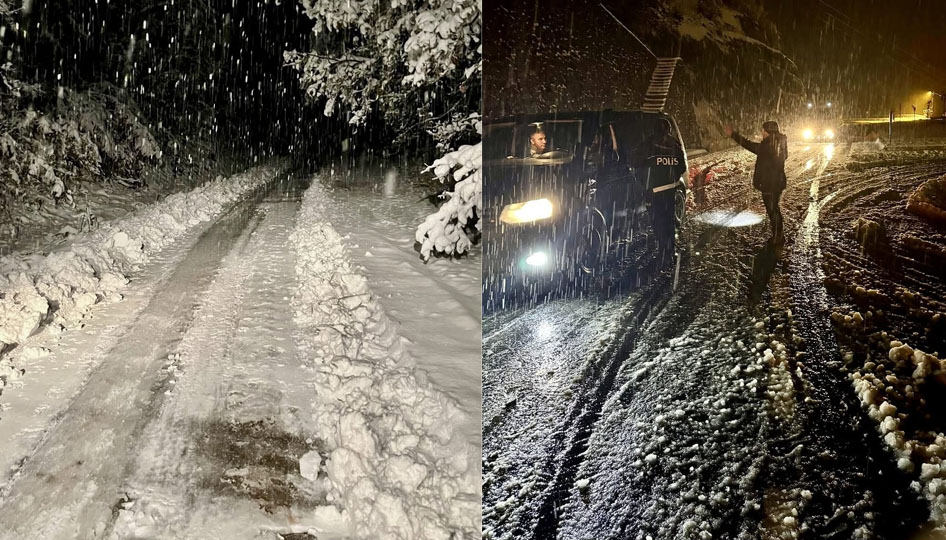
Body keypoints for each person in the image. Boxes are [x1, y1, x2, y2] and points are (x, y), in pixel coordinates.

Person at [632, 118, 686, 263]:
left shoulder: (648, 144)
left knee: (658, 221)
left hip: (654, 191)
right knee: (669, 220)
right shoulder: (674, 144)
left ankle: (663, 250)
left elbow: (634, 161)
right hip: (670, 189)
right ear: (668, 130)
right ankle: (670, 251)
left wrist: (645, 175)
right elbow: (682, 167)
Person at [726, 120, 787, 245]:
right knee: (774, 208)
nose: (762, 133)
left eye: (763, 130)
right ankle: (778, 234)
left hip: (770, 183)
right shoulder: (779, 144)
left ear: (768, 132)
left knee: (772, 210)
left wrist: (733, 134)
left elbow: (748, 145)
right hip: (776, 182)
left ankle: (777, 237)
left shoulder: (768, 146)